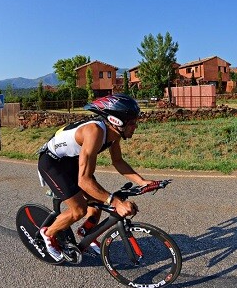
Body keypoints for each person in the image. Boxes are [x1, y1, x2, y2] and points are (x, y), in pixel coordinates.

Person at [37, 93, 160, 261]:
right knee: (79, 209)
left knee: (98, 200)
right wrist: (116, 202)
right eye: (132, 123)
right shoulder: (94, 132)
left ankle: (86, 232)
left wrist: (142, 181)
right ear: (117, 121)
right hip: (53, 163)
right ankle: (48, 233)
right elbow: (84, 181)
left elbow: (118, 161)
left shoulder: (114, 134)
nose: (135, 127)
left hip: (72, 161)